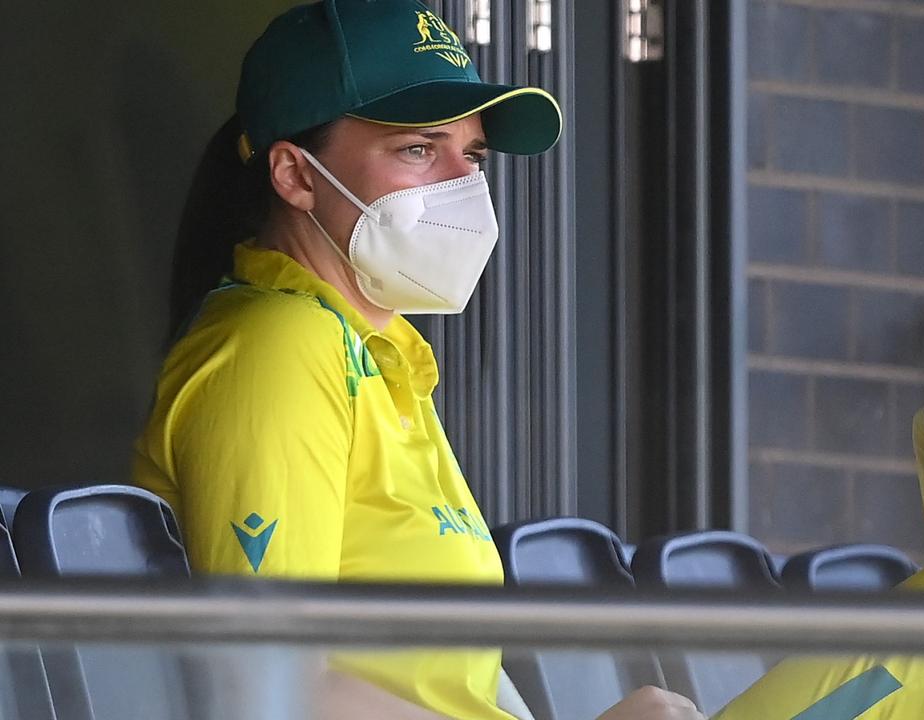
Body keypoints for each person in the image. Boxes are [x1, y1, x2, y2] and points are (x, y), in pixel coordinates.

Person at [132, 1, 702, 718]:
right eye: (417, 149)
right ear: (296, 176)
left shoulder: (378, 357)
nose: (461, 185)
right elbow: (265, 684)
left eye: (473, 155)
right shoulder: (280, 348)